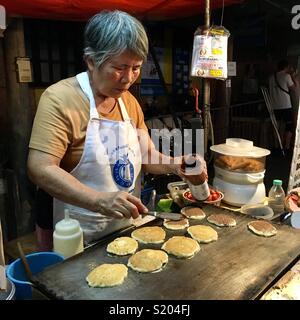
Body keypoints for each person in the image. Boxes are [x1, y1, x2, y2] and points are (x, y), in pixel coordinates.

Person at [27, 10, 207, 251]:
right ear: (91, 61)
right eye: (119, 67)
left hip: (122, 229)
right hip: (75, 232)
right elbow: (40, 167)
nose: (128, 78)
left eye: (136, 67)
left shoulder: (128, 102)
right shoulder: (61, 99)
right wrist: (99, 200)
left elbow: (147, 155)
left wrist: (179, 164)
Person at [269, 60, 297, 151]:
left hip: (274, 106)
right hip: (286, 106)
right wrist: (293, 76)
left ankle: (277, 146)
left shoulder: (271, 77)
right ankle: (287, 146)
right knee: (289, 126)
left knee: (276, 127)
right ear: (287, 67)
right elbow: (294, 88)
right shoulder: (287, 76)